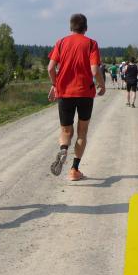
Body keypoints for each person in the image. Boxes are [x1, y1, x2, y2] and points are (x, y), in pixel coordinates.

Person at [47, 13, 106, 181]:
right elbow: (94, 70)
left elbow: (50, 68)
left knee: (66, 130)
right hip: (85, 93)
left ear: (71, 27)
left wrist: (55, 85)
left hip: (64, 93)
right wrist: (101, 85)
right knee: (82, 132)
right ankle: (74, 170)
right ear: (85, 27)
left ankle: (63, 148)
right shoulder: (91, 44)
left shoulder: (61, 42)